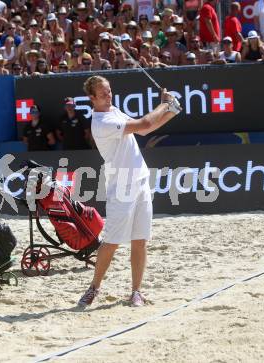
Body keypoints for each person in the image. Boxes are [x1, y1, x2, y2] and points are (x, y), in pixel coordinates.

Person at [77, 75, 181, 308]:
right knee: (111, 242)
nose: (108, 95)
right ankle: (94, 287)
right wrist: (165, 103)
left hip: (141, 180)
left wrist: (171, 111)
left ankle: (136, 291)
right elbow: (144, 125)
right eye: (103, 93)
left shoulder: (114, 111)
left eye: (109, 90)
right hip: (121, 186)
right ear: (92, 98)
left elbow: (147, 128)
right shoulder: (101, 122)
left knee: (140, 240)